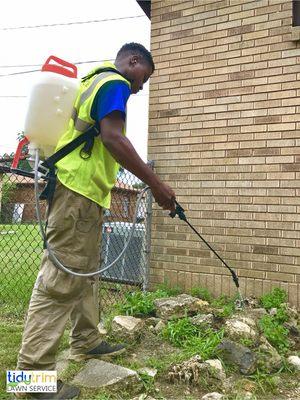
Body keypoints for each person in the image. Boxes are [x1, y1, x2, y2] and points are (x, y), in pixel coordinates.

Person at [16, 43, 176, 399]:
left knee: (84, 271)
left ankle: (86, 340)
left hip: (84, 193)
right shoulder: (114, 82)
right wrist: (157, 186)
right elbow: (113, 137)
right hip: (78, 192)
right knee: (59, 281)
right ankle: (30, 377)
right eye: (144, 76)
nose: (141, 86)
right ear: (132, 62)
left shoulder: (94, 80)